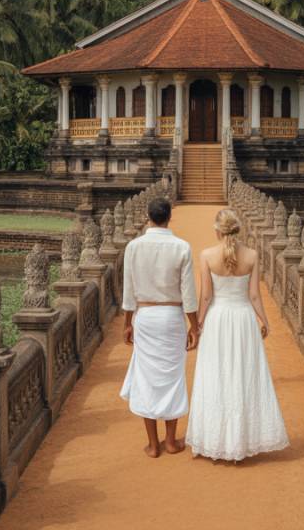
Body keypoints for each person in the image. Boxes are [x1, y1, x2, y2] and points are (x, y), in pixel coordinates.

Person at [185, 208, 289, 461]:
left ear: (217, 230)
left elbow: (206, 296)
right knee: (244, 374)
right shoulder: (251, 255)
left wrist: (197, 323)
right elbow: (254, 295)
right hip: (243, 319)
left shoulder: (207, 255)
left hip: (218, 319)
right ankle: (242, 440)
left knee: (216, 374)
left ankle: (214, 438)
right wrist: (264, 320)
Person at [120, 197, 199, 458]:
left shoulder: (134, 247)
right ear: (169, 217)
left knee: (147, 379)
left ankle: (153, 445)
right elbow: (189, 294)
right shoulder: (182, 247)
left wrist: (127, 324)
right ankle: (171, 441)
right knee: (173, 377)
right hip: (172, 317)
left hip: (145, 316)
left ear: (148, 216)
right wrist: (194, 327)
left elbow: (129, 291)